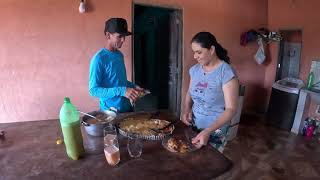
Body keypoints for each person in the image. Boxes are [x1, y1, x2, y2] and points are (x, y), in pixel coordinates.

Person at [182, 32, 239, 152]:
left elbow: (231, 109)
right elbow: (189, 93)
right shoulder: (194, 70)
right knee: (193, 157)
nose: (195, 56)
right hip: (195, 124)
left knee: (210, 160)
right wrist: (187, 110)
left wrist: (208, 131)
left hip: (216, 129)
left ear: (212, 49)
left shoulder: (226, 72)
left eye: (199, 52)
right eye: (194, 52)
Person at [89, 18, 144, 113]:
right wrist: (122, 91)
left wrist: (133, 86)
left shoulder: (119, 55)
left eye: (124, 36)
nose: (123, 40)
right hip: (111, 112)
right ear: (108, 35)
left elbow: (119, 80)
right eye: (119, 36)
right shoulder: (99, 59)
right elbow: (93, 90)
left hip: (127, 107)